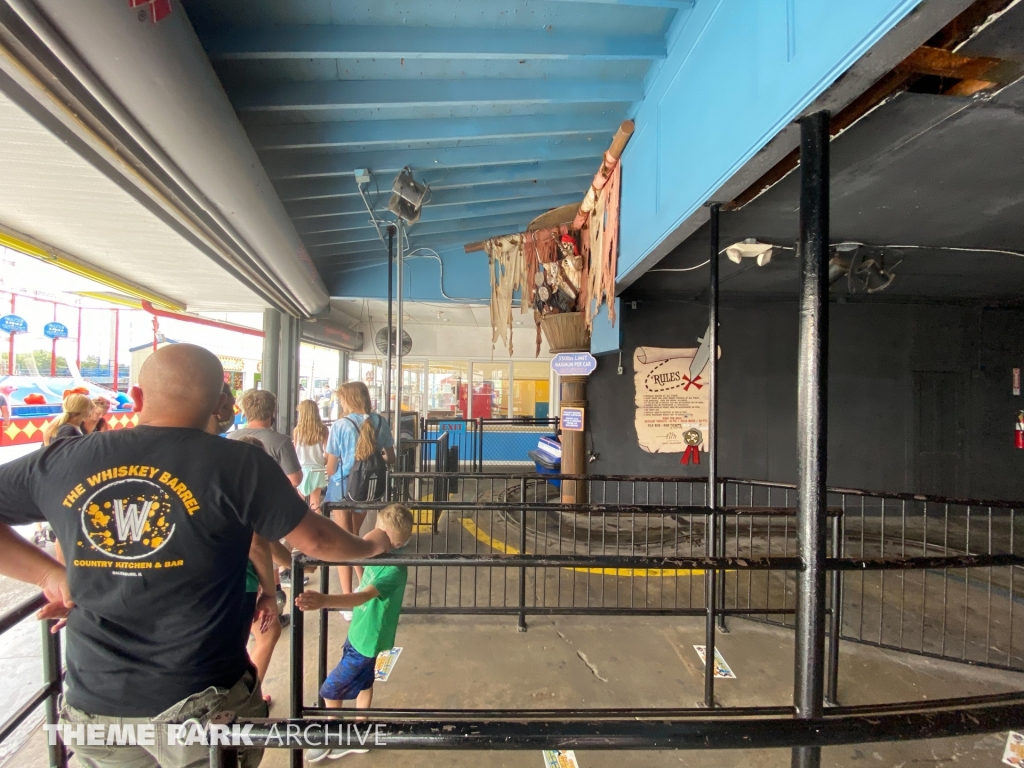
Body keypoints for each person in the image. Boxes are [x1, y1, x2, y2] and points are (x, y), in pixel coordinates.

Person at [0, 344, 400, 768]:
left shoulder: (65, 459)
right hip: (204, 701)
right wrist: (372, 545)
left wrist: (52, 578)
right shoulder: (238, 464)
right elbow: (316, 541)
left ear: (136, 399)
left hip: (97, 703)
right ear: (221, 404)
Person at [296, 504, 413, 763]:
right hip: (361, 636)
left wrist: (324, 600)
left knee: (330, 691)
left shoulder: (395, 569)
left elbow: (362, 595)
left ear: (392, 541)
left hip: (367, 642)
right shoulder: (379, 558)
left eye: (379, 532)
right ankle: (361, 733)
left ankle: (332, 737)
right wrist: (358, 561)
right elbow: (364, 579)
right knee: (365, 684)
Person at [326, 382, 396, 598]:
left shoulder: (340, 426)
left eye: (341, 399)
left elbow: (331, 468)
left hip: (342, 488)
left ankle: (348, 596)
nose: (340, 403)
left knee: (342, 541)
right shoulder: (381, 422)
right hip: (367, 487)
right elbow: (391, 458)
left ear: (349, 400)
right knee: (354, 536)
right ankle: (362, 581)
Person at [228, 389, 303, 487]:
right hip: (270, 499)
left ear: (245, 412)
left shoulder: (231, 438)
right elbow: (295, 480)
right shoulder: (281, 441)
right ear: (272, 411)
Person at [294, 400, 329, 511]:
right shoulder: (323, 429)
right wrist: (324, 461)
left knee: (300, 501)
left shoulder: (297, 431)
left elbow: (295, 451)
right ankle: (320, 525)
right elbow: (327, 450)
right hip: (317, 469)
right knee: (315, 502)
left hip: (302, 468)